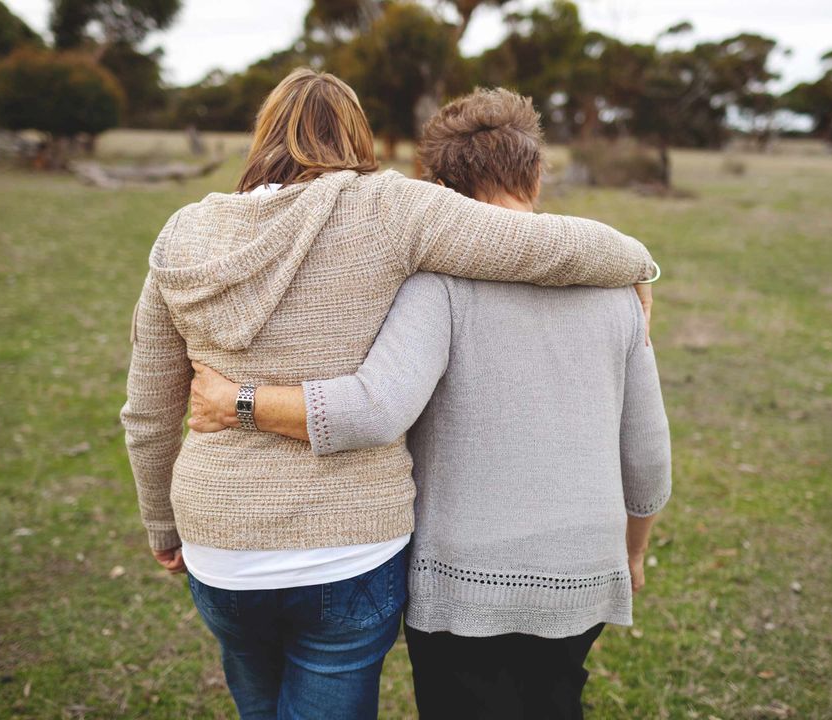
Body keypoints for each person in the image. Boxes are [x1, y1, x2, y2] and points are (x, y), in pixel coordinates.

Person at [119, 71, 659, 720]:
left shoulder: (183, 233)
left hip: (220, 540)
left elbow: (148, 413)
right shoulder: (388, 208)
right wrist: (637, 263)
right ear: (357, 134)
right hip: (350, 545)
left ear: (262, 134)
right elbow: (541, 244)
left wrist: (163, 525)